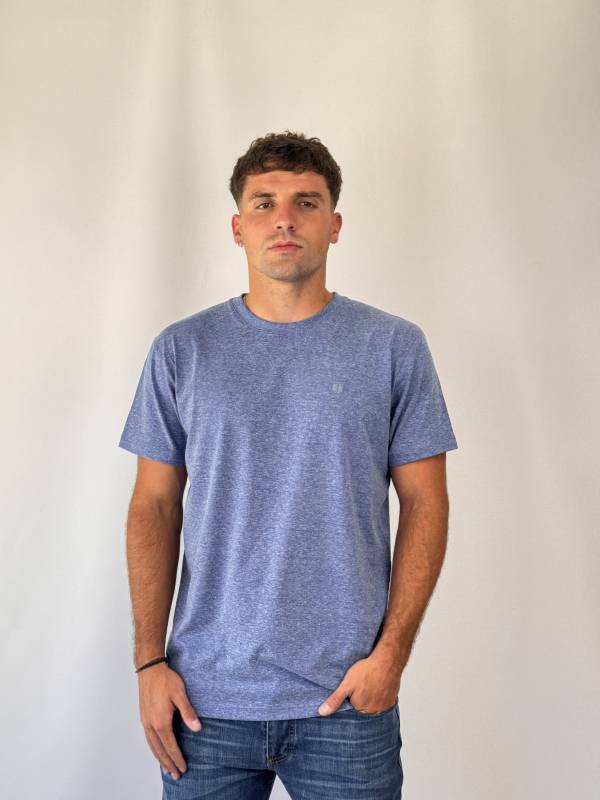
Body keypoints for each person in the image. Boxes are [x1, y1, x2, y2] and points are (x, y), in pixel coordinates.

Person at [118, 130, 458, 799]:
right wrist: (149, 663)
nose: (284, 219)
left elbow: (427, 502)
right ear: (237, 227)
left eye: (306, 202)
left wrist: (391, 657)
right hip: (204, 702)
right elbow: (152, 505)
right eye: (264, 203)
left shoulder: (393, 346)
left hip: (347, 700)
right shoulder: (183, 350)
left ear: (334, 225)